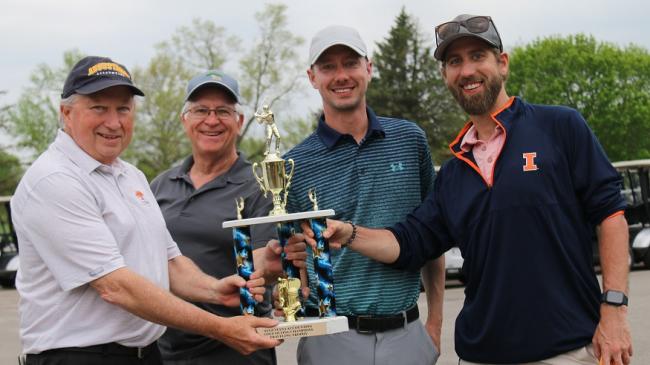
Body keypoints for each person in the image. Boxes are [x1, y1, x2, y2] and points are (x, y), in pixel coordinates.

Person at [309, 15, 634, 365]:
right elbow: (408, 242)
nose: (466, 71)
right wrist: (349, 233)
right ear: (445, 76)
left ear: (503, 63)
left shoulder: (560, 127)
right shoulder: (453, 173)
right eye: (454, 62)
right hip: (480, 354)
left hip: (567, 349)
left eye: (478, 56)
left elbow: (611, 216)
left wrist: (614, 309)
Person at [11, 56, 282, 365]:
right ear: (67, 113)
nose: (113, 122)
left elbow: (168, 261)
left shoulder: (130, 176)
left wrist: (215, 291)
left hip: (145, 354)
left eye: (123, 109)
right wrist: (221, 327)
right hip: (78, 356)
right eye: (99, 108)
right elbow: (116, 287)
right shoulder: (56, 180)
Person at [284, 25, 445, 365]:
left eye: (350, 63)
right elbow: (289, 256)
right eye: (328, 67)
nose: (341, 75)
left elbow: (434, 237)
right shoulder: (291, 166)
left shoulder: (410, 139)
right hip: (330, 340)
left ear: (368, 68)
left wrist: (435, 324)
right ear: (312, 77)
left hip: (407, 334)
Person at [151, 70, 306, 365]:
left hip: (235, 348)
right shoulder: (160, 185)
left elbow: (261, 262)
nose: (212, 120)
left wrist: (271, 268)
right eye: (200, 110)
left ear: (239, 121)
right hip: (164, 350)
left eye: (223, 111)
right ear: (185, 120)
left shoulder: (259, 186)